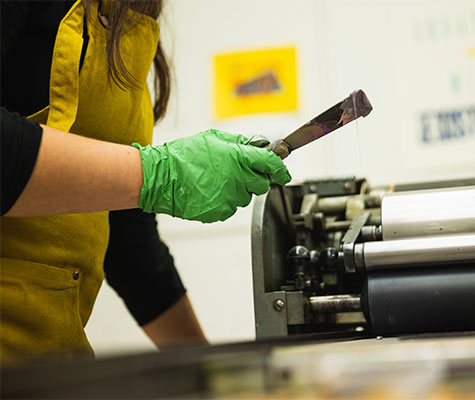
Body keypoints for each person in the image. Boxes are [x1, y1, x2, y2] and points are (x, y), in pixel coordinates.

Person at [0, 0, 290, 364]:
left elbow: (128, 243)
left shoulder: (133, 20)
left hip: (46, 363)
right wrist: (154, 174)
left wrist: (207, 371)